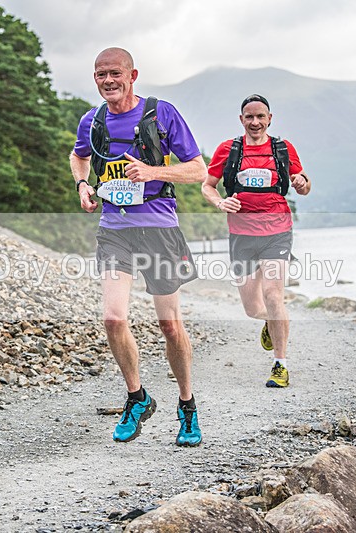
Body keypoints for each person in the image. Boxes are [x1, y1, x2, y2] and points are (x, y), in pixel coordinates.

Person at [70, 47, 207, 447]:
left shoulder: (161, 113)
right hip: (115, 229)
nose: (108, 80)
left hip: (159, 228)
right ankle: (137, 397)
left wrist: (152, 171)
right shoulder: (91, 121)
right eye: (100, 74)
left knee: (170, 325)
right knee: (113, 318)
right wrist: (82, 184)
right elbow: (79, 157)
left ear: (132, 75)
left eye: (115, 73)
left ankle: (187, 405)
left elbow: (198, 168)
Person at [202, 94, 311, 388]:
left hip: (277, 230)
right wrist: (219, 202)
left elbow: (303, 185)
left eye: (260, 116)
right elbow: (207, 186)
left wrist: (303, 183)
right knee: (252, 308)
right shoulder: (228, 150)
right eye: (249, 117)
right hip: (241, 235)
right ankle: (269, 322)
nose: (255, 122)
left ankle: (280, 364)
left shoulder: (282, 149)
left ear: (270, 118)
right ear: (241, 120)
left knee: (274, 296)